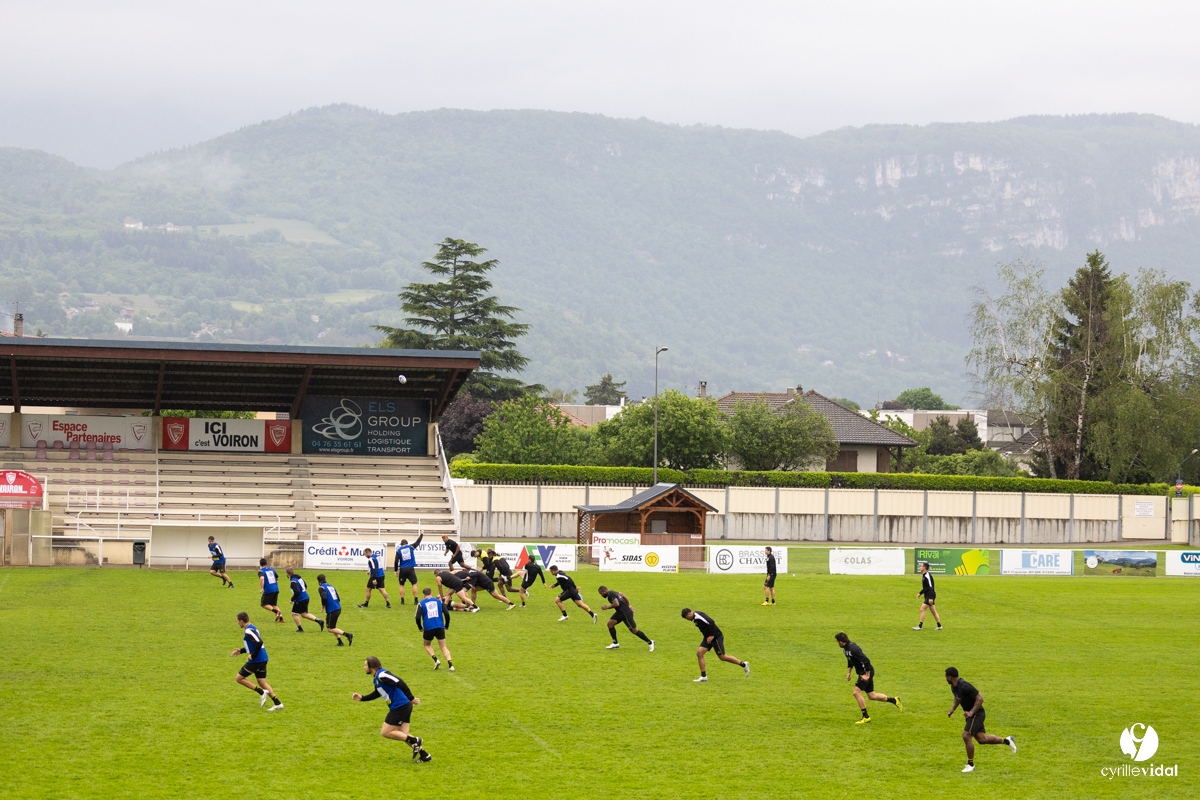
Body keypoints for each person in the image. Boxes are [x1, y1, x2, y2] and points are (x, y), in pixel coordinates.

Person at [352, 656, 431, 763]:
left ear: (371, 666)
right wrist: (362, 698)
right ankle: (425, 755)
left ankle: (415, 740)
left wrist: (411, 697)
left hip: (400, 706)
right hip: (404, 706)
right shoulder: (376, 678)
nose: (364, 667)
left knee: (385, 732)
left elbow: (399, 681)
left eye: (366, 665)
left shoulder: (382, 674)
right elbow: (378, 693)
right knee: (403, 734)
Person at [945, 667, 1017, 772]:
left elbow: (980, 698)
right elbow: (957, 697)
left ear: (950, 677)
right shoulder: (954, 686)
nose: (945, 678)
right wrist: (952, 709)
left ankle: (971, 765)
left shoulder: (965, 686)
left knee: (966, 735)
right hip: (972, 714)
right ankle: (1007, 740)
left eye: (946, 676)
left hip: (977, 713)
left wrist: (971, 712)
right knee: (982, 739)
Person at [834, 632, 902, 723]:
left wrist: (867, 675)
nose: (837, 643)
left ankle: (866, 717)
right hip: (863, 673)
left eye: (837, 641)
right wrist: (848, 672)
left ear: (841, 641)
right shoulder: (846, 649)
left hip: (865, 672)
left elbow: (866, 661)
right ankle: (894, 700)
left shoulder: (853, 648)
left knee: (856, 692)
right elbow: (850, 660)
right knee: (872, 696)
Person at [230, 611, 283, 710]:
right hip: (263, 658)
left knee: (239, 678)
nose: (237, 623)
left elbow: (259, 642)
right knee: (262, 682)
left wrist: (253, 656)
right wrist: (241, 651)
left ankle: (262, 692)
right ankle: (277, 703)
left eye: (238, 621)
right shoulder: (252, 627)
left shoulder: (248, 631)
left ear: (241, 621)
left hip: (257, 660)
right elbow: (253, 645)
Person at [681, 609, 748, 681]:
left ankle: (743, 664)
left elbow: (711, 622)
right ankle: (704, 676)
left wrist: (712, 635)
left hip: (715, 637)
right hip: (707, 638)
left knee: (722, 657)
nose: (687, 620)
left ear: (689, 614)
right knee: (699, 653)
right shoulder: (695, 618)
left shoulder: (698, 616)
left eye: (686, 618)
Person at [597, 585, 653, 651]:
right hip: (620, 613)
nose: (601, 595)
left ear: (605, 591)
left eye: (601, 593)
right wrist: (628, 605)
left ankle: (650, 642)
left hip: (625, 614)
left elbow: (616, 604)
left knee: (634, 631)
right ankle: (615, 643)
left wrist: (606, 608)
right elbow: (623, 595)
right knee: (610, 624)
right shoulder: (613, 592)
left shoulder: (610, 595)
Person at [415, 588, 454, 671]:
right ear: (431, 593)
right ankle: (450, 665)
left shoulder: (421, 604)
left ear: (423, 595)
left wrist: (420, 627)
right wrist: (446, 625)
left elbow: (417, 617)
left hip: (428, 627)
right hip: (440, 626)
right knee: (443, 647)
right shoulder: (439, 601)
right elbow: (447, 613)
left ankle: (436, 660)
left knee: (427, 645)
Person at [317, 574, 354, 646]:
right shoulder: (331, 587)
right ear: (326, 579)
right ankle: (340, 642)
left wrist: (323, 606)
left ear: (318, 581)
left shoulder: (321, 588)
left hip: (332, 609)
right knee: (333, 627)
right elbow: (338, 598)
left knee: (329, 629)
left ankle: (348, 635)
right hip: (338, 607)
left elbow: (324, 598)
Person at [285, 567, 324, 633]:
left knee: (294, 613)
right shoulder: (299, 577)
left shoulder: (293, 582)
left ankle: (300, 629)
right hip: (306, 597)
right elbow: (305, 586)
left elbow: (297, 592)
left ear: (287, 574)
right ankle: (320, 621)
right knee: (304, 614)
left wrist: (292, 599)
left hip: (300, 599)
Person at [393, 532, 424, 605]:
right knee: (414, 584)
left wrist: (395, 570)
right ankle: (416, 601)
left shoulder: (399, 550)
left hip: (403, 569)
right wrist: (422, 534)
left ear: (401, 544)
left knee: (401, 585)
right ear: (407, 543)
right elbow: (418, 541)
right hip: (410, 569)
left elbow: (396, 561)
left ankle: (402, 601)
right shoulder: (411, 547)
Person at [913, 561, 943, 631]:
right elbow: (926, 587)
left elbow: (931, 587)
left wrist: (931, 597)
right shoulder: (924, 575)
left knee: (922, 609)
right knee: (933, 611)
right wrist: (920, 593)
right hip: (928, 595)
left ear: (924, 568)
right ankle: (939, 625)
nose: (920, 567)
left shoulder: (927, 576)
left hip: (930, 596)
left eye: (921, 566)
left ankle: (920, 626)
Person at [258, 558, 284, 623]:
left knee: (263, 604)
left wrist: (261, 588)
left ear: (260, 564)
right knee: (274, 605)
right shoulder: (272, 569)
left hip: (269, 590)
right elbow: (277, 578)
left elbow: (261, 578)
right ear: (267, 563)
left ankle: (276, 612)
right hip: (276, 588)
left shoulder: (260, 571)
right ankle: (281, 619)